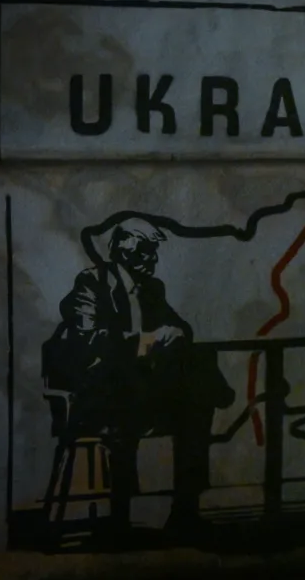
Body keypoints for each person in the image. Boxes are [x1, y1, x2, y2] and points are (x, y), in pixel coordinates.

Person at [41, 218, 235, 535]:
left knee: (194, 408)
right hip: (98, 393)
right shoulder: (92, 283)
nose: (153, 260)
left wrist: (168, 335)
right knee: (143, 403)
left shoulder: (151, 289)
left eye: (153, 253)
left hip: (139, 389)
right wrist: (144, 343)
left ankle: (185, 510)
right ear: (124, 252)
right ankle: (120, 518)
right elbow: (90, 342)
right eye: (146, 253)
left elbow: (182, 329)